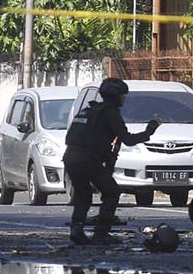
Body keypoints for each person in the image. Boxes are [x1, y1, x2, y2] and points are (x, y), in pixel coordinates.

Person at [63, 78, 161, 245]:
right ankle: (101, 232)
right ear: (115, 96)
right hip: (87, 159)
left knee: (83, 194)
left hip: (70, 157)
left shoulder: (89, 110)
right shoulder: (109, 113)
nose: (123, 99)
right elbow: (128, 139)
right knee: (112, 191)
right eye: (122, 96)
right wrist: (149, 131)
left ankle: (76, 229)